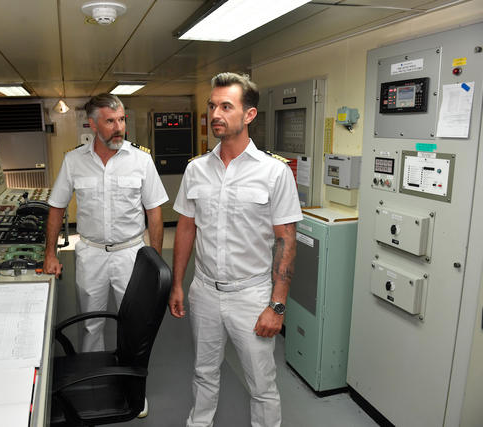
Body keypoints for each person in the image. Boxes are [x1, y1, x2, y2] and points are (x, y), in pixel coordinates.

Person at [169, 72, 302, 427]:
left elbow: (286, 241)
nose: (216, 113)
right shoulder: (196, 169)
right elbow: (185, 227)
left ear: (249, 115)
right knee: (204, 373)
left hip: (252, 294)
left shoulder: (274, 173)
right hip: (205, 291)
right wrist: (178, 283)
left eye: (226, 106)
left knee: (261, 385)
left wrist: (277, 305)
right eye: (213, 105)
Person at [44, 93, 168, 356]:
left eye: (122, 120)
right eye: (110, 121)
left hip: (131, 254)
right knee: (90, 325)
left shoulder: (141, 160)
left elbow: (154, 211)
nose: (119, 127)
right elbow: (56, 207)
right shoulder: (73, 161)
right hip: (91, 253)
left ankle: (133, 391)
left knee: (135, 323)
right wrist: (50, 254)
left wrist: (154, 258)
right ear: (93, 124)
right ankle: (93, 386)